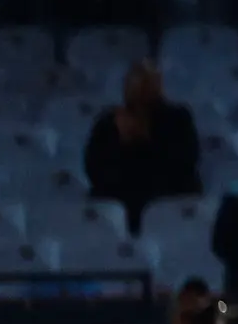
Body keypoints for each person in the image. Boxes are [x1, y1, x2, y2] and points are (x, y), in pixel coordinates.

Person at [83, 59, 203, 227]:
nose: (141, 90)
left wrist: (144, 141)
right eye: (136, 84)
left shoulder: (178, 119)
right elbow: (95, 169)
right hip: (123, 201)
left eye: (148, 83)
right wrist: (125, 143)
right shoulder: (108, 123)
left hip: (168, 199)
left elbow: (185, 162)